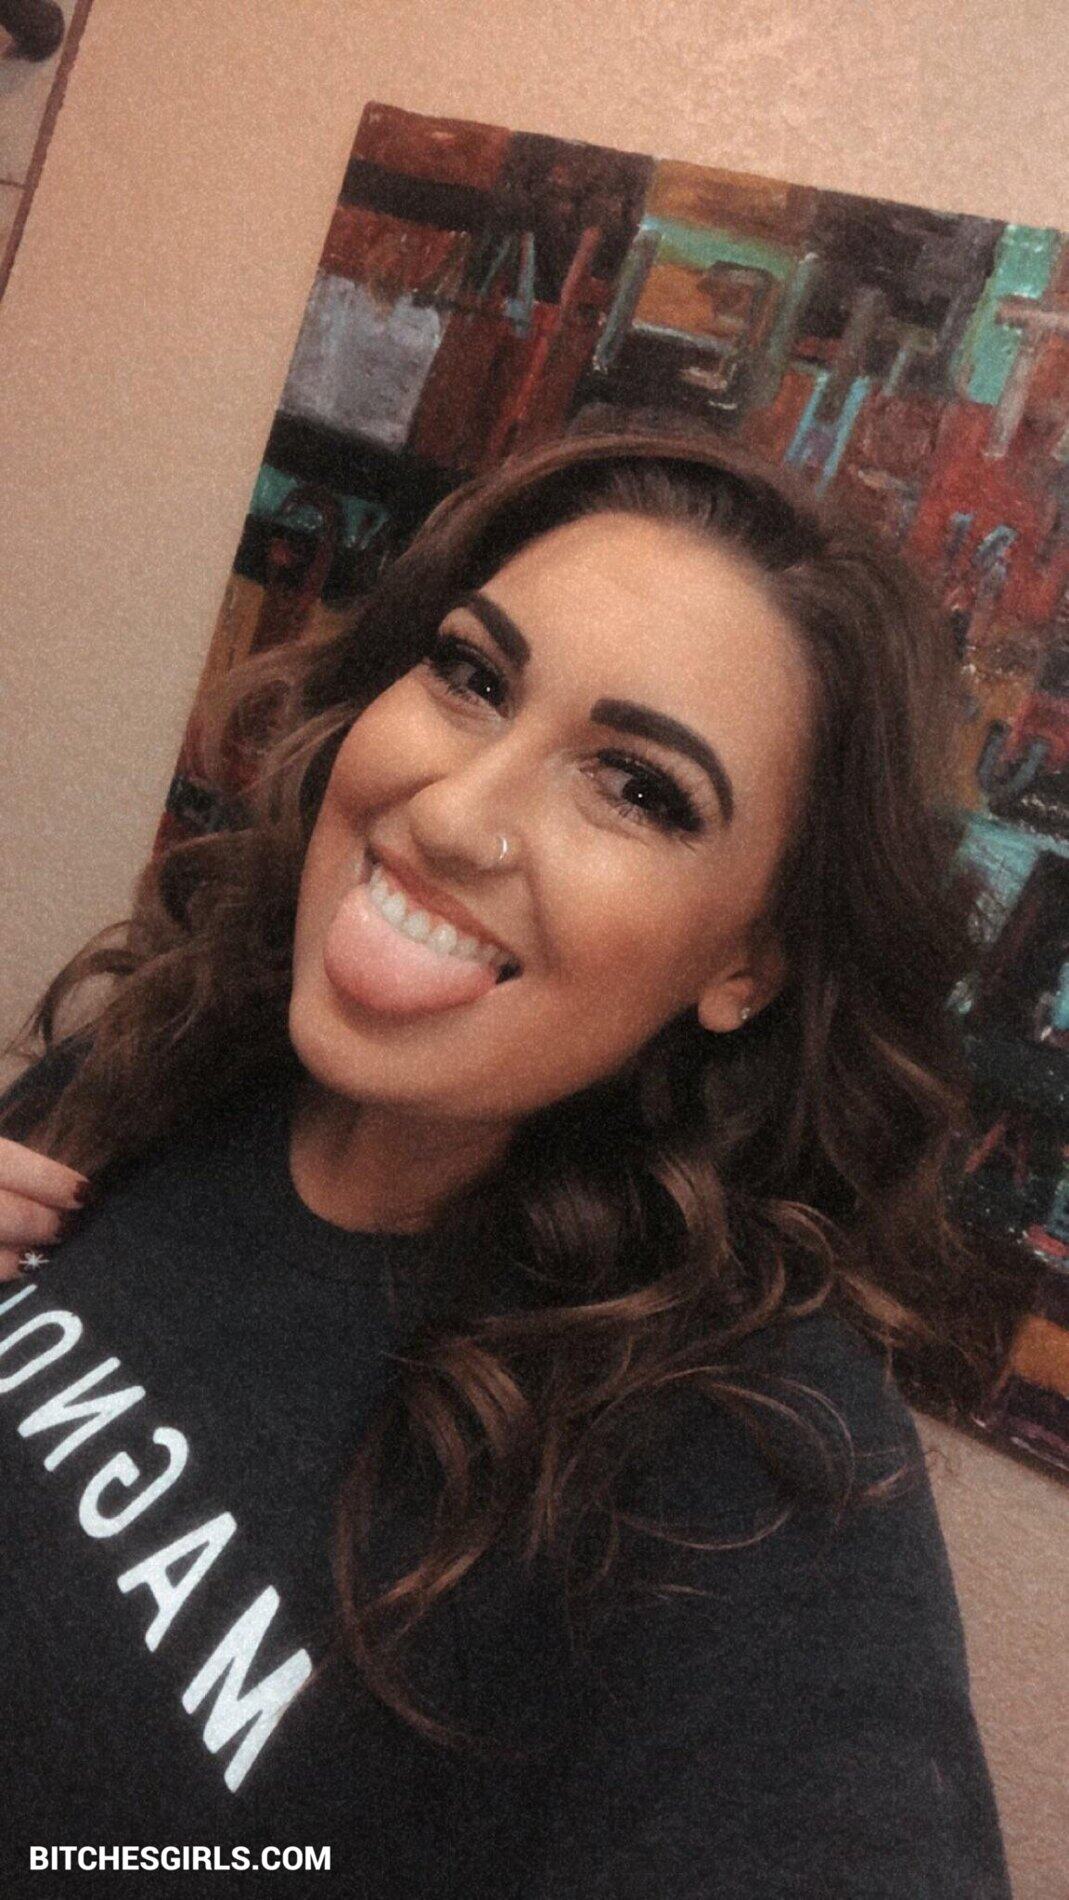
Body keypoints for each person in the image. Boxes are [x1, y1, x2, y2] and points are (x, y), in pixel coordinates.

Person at [0, 430, 1016, 1897]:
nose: (452, 813)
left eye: (638, 788)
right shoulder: (179, 1047)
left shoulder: (744, 1468)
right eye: (472, 677)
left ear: (749, 962)